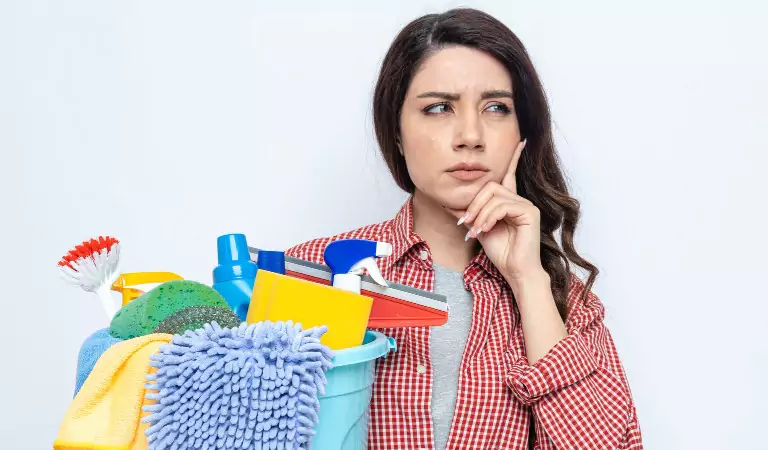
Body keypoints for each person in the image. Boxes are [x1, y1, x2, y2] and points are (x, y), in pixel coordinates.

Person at [287, 7, 642, 450]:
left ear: (522, 133)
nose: (470, 135)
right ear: (396, 131)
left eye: (496, 107)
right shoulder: (309, 273)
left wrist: (527, 278)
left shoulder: (567, 302)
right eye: (438, 108)